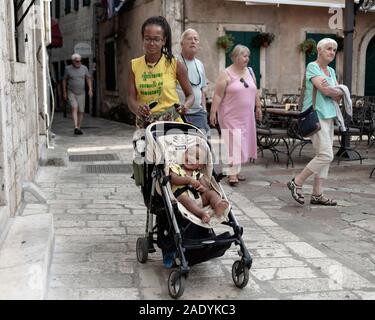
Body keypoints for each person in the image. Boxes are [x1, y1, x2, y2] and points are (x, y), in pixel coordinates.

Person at [287, 38, 343, 206]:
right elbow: (327, 91)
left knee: (324, 156)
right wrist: (332, 90)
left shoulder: (331, 72)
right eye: (328, 48)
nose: (332, 52)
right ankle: (297, 182)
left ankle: (317, 194)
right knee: (326, 155)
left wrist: (332, 90)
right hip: (315, 114)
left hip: (329, 115)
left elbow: (338, 94)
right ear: (319, 50)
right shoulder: (313, 67)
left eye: (334, 49)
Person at [127, 16, 194, 128]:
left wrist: (185, 106)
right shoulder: (134, 65)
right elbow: (130, 99)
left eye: (156, 39)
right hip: (146, 126)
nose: (151, 43)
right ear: (143, 39)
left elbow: (190, 95)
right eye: (147, 39)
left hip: (172, 125)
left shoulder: (174, 64)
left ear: (164, 40)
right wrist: (137, 108)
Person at [209, 44, 262, 186]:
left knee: (242, 141)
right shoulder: (226, 73)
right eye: (244, 56)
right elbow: (218, 95)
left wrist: (258, 106)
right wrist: (213, 112)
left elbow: (255, 91)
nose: (247, 59)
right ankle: (232, 174)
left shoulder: (250, 72)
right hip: (229, 115)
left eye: (248, 56)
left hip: (246, 116)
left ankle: (235, 170)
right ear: (235, 57)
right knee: (234, 142)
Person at [169, 144, 229, 223]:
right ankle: (202, 214)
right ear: (184, 155)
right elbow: (174, 180)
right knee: (186, 199)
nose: (191, 158)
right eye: (190, 154)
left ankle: (218, 205)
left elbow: (206, 188)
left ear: (200, 166)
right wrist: (189, 180)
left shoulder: (198, 175)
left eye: (197, 158)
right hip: (182, 198)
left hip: (199, 199)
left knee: (211, 193)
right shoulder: (176, 168)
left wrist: (202, 189)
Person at [176, 28, 210, 135]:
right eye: (190, 38)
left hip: (198, 114)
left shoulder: (199, 64)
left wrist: (204, 110)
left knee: (203, 146)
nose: (193, 41)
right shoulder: (174, 62)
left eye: (196, 39)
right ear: (182, 43)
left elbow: (202, 89)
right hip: (180, 114)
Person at [63, 53, 93, 135]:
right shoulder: (68, 69)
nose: (78, 62)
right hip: (71, 92)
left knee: (81, 111)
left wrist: (90, 89)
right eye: (77, 61)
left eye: (80, 61)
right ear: (73, 61)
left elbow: (88, 78)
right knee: (74, 107)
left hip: (81, 93)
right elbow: (64, 80)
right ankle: (76, 126)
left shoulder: (84, 68)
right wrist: (64, 92)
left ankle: (78, 127)